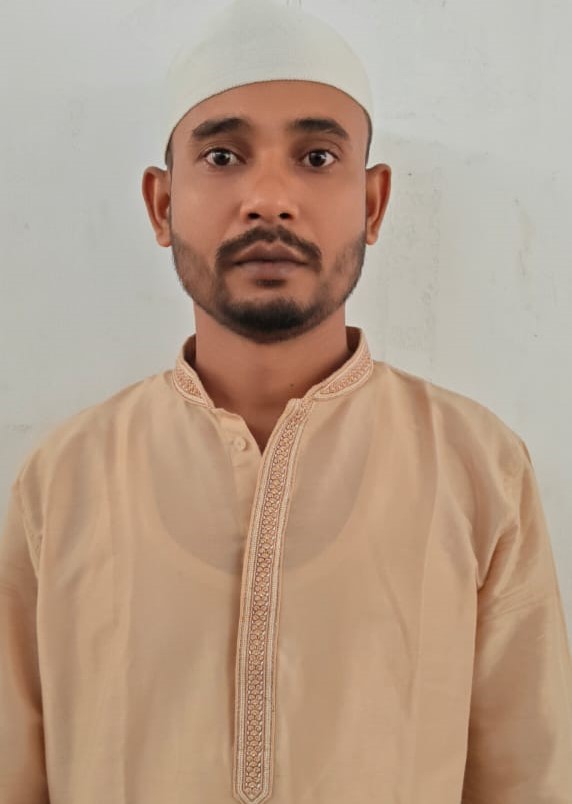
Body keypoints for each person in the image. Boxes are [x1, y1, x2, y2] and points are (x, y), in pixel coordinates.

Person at [1, 0, 570, 801]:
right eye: (223, 156)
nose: (269, 198)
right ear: (162, 205)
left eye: (316, 157)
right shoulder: (64, 482)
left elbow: (532, 779)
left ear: (373, 203)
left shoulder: (479, 471)